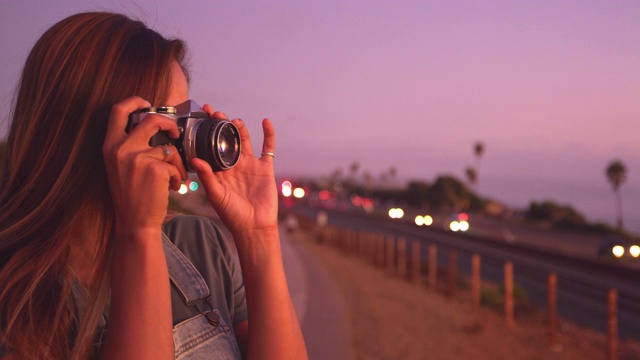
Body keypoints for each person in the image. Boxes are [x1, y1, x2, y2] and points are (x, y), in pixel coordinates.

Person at [0, 12, 308, 359]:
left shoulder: (198, 245)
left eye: (186, 121)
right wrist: (139, 234)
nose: (180, 143)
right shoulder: (15, 295)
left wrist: (257, 236)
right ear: (95, 127)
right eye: (166, 122)